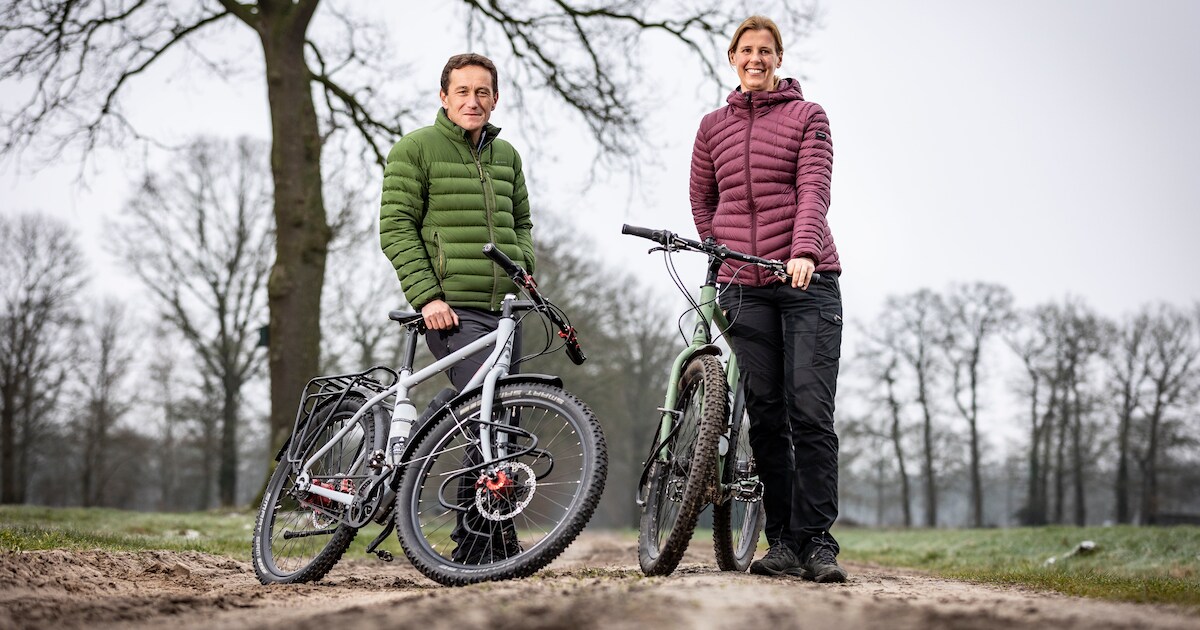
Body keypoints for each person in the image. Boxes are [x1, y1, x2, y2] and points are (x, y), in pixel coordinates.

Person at [689, 15, 846, 583]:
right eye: (746, 50)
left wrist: (803, 251)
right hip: (745, 287)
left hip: (806, 282)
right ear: (732, 57)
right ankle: (781, 542)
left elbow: (814, 189)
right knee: (768, 417)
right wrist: (722, 253)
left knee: (810, 413)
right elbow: (703, 201)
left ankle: (818, 543)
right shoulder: (712, 127)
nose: (755, 58)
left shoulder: (808, 116)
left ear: (779, 58)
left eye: (765, 50)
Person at [379, 52, 534, 564]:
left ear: (496, 98)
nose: (473, 101)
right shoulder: (416, 149)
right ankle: (479, 538)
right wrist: (428, 296)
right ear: (444, 97)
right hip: (451, 309)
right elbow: (396, 227)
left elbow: (522, 224)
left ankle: (487, 534)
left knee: (499, 415)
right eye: (462, 91)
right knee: (483, 411)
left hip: (504, 310)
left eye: (482, 92)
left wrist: (523, 269)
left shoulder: (506, 156)